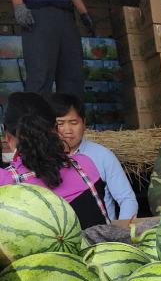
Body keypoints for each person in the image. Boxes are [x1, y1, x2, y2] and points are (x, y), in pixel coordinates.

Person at [0, 92, 108, 227]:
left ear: (7, 136)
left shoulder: (4, 181)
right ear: (56, 129)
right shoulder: (84, 164)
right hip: (99, 247)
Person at [51, 93, 137, 220]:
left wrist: (120, 231)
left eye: (74, 122)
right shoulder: (44, 158)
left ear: (84, 123)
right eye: (60, 123)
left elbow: (127, 199)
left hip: (102, 235)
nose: (67, 130)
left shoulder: (102, 155)